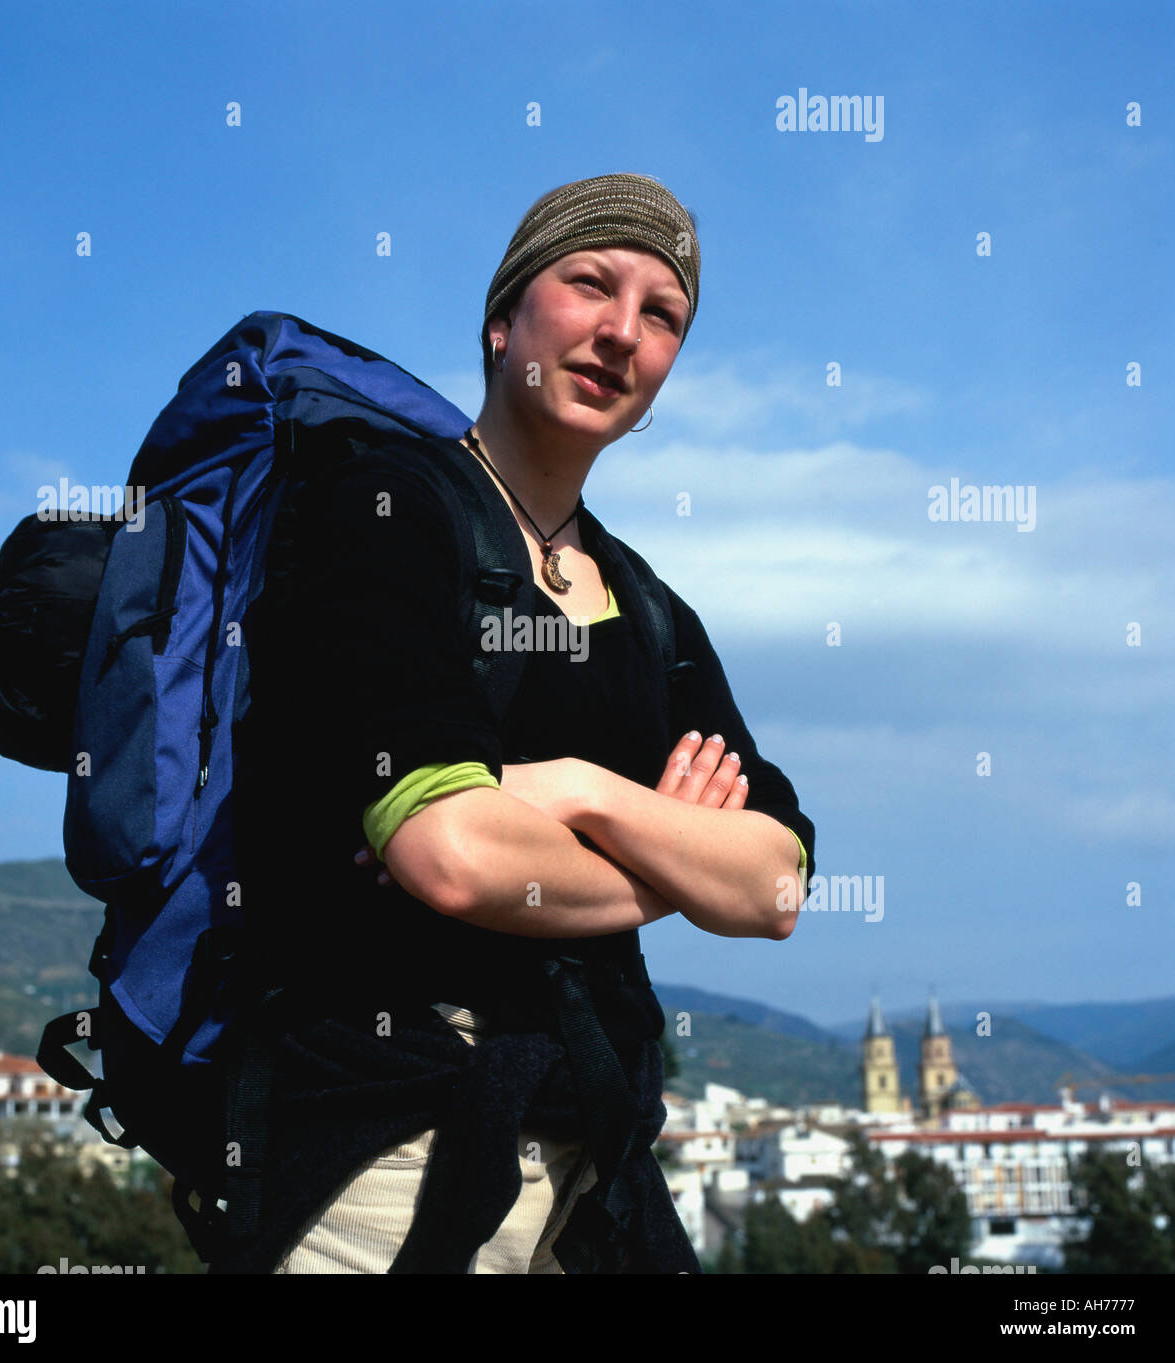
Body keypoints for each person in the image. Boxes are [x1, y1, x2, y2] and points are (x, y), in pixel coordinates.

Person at [227, 171, 816, 1275]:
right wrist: (675, 860)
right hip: (388, 1154)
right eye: (588, 282)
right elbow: (451, 855)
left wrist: (583, 794)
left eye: (662, 314)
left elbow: (777, 886)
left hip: (595, 1158)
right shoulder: (386, 513)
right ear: (502, 322)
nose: (620, 332)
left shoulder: (648, 609)